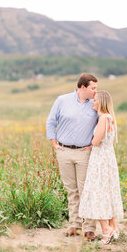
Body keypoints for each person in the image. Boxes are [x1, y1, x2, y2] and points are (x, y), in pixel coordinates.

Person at [46, 73, 98, 241]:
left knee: (86, 190)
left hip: (84, 153)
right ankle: (75, 225)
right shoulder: (62, 100)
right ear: (83, 87)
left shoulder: (95, 104)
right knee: (72, 190)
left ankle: (89, 228)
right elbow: (51, 121)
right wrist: (53, 142)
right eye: (93, 88)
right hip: (64, 151)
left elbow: (103, 124)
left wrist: (91, 145)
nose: (95, 91)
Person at [79, 90, 124, 245]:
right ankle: (114, 227)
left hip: (100, 161)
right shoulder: (109, 117)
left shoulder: (103, 118)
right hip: (107, 158)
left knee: (97, 193)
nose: (93, 101)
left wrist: (89, 143)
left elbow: (96, 141)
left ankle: (106, 230)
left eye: (96, 100)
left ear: (102, 102)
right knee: (107, 192)